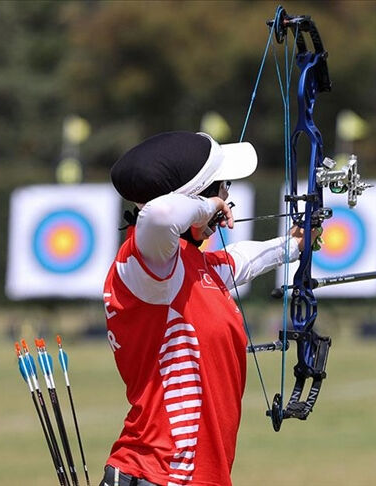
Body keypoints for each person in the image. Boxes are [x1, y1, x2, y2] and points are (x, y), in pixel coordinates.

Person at [102, 131, 304, 486]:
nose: (228, 198)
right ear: (197, 198)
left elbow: (242, 261)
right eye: (222, 187)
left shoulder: (193, 268)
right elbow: (161, 214)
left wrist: (296, 243)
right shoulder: (146, 266)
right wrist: (207, 207)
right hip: (162, 475)